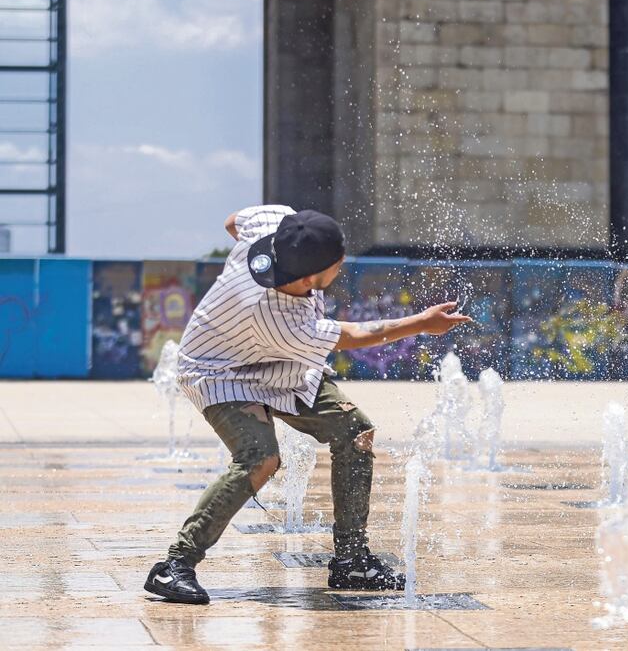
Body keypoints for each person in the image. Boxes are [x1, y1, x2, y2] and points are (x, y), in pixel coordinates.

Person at [144, 205, 470, 604]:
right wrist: (421, 323)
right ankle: (175, 564)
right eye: (337, 262)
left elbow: (234, 221)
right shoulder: (278, 316)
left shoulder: (274, 222)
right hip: (221, 372)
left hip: (280, 363)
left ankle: (351, 560)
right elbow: (352, 335)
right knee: (260, 459)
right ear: (310, 277)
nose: (342, 263)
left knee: (355, 432)